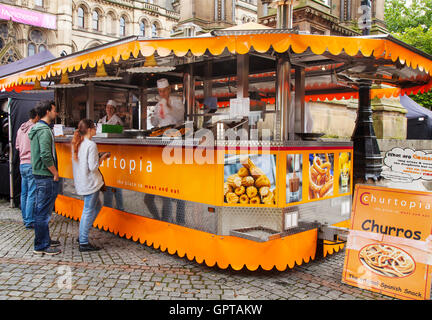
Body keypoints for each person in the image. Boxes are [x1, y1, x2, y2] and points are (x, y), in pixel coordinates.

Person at [145, 78, 185, 225]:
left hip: (175, 140)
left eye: (164, 90)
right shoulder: (157, 105)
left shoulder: (177, 102)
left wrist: (169, 106)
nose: (162, 93)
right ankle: (164, 219)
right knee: (164, 184)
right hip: (161, 141)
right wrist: (154, 117)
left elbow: (179, 117)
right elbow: (155, 123)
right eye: (160, 91)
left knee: (175, 184)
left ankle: (179, 220)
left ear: (169, 89)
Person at [28, 100, 61, 256]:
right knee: (43, 212)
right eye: (54, 110)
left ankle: (44, 239)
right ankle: (41, 245)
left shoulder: (37, 128)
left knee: (42, 209)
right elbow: (46, 155)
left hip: (39, 174)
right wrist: (54, 172)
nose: (56, 113)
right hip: (45, 175)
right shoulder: (44, 131)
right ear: (48, 111)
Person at [71, 119, 110, 252]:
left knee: (96, 206)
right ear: (89, 129)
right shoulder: (91, 144)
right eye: (94, 127)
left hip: (82, 181)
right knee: (88, 210)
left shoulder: (77, 143)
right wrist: (102, 158)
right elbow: (93, 167)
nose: (95, 130)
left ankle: (83, 233)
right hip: (90, 182)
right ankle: (83, 242)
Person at [98, 99, 124, 211]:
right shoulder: (102, 120)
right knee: (108, 183)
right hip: (104, 153)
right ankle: (108, 208)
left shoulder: (117, 121)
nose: (108, 109)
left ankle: (120, 208)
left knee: (115, 185)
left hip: (114, 153)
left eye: (111, 108)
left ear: (114, 110)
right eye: (107, 107)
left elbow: (120, 134)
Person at [15, 108, 39, 229]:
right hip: (31, 163)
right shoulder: (33, 128)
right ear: (36, 117)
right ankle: (29, 221)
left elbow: (17, 146)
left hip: (22, 164)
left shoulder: (20, 128)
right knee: (31, 193)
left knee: (24, 193)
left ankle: (25, 218)